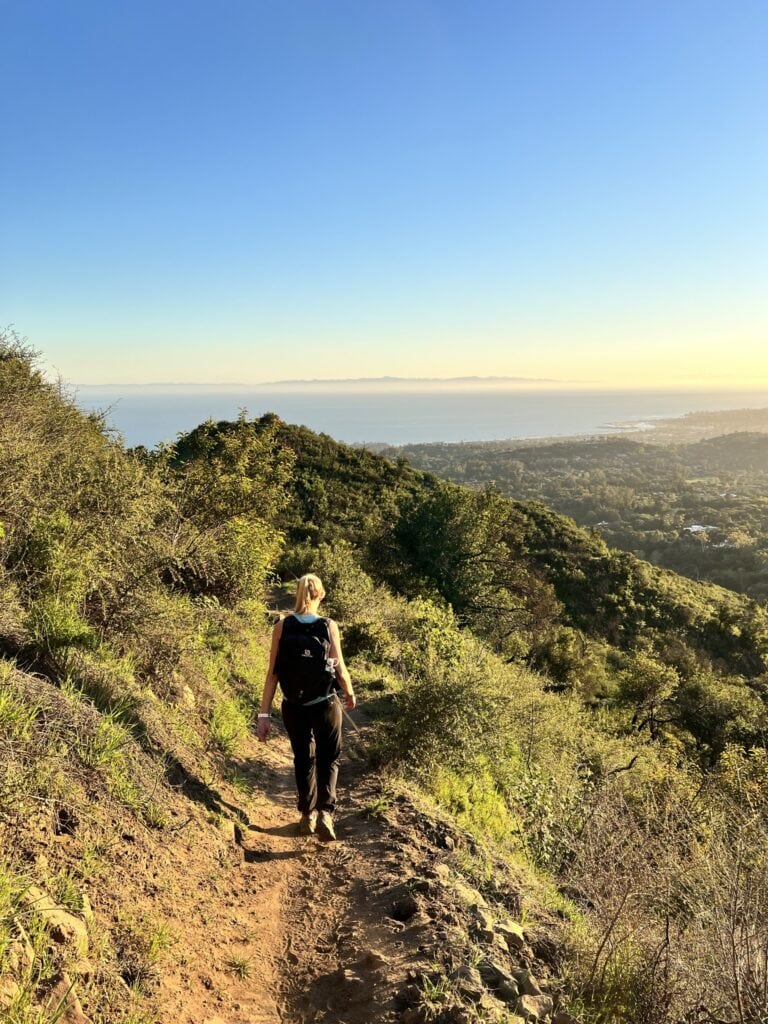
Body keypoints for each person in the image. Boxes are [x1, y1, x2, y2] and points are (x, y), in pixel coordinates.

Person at [257, 573, 356, 841]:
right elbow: (339, 667)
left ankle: (306, 815)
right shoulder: (327, 626)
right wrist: (348, 692)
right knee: (329, 757)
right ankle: (326, 812)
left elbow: (272, 674)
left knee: (303, 758)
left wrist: (264, 714)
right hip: (324, 703)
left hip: (293, 706)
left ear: (297, 594)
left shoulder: (282, 626)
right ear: (320, 595)